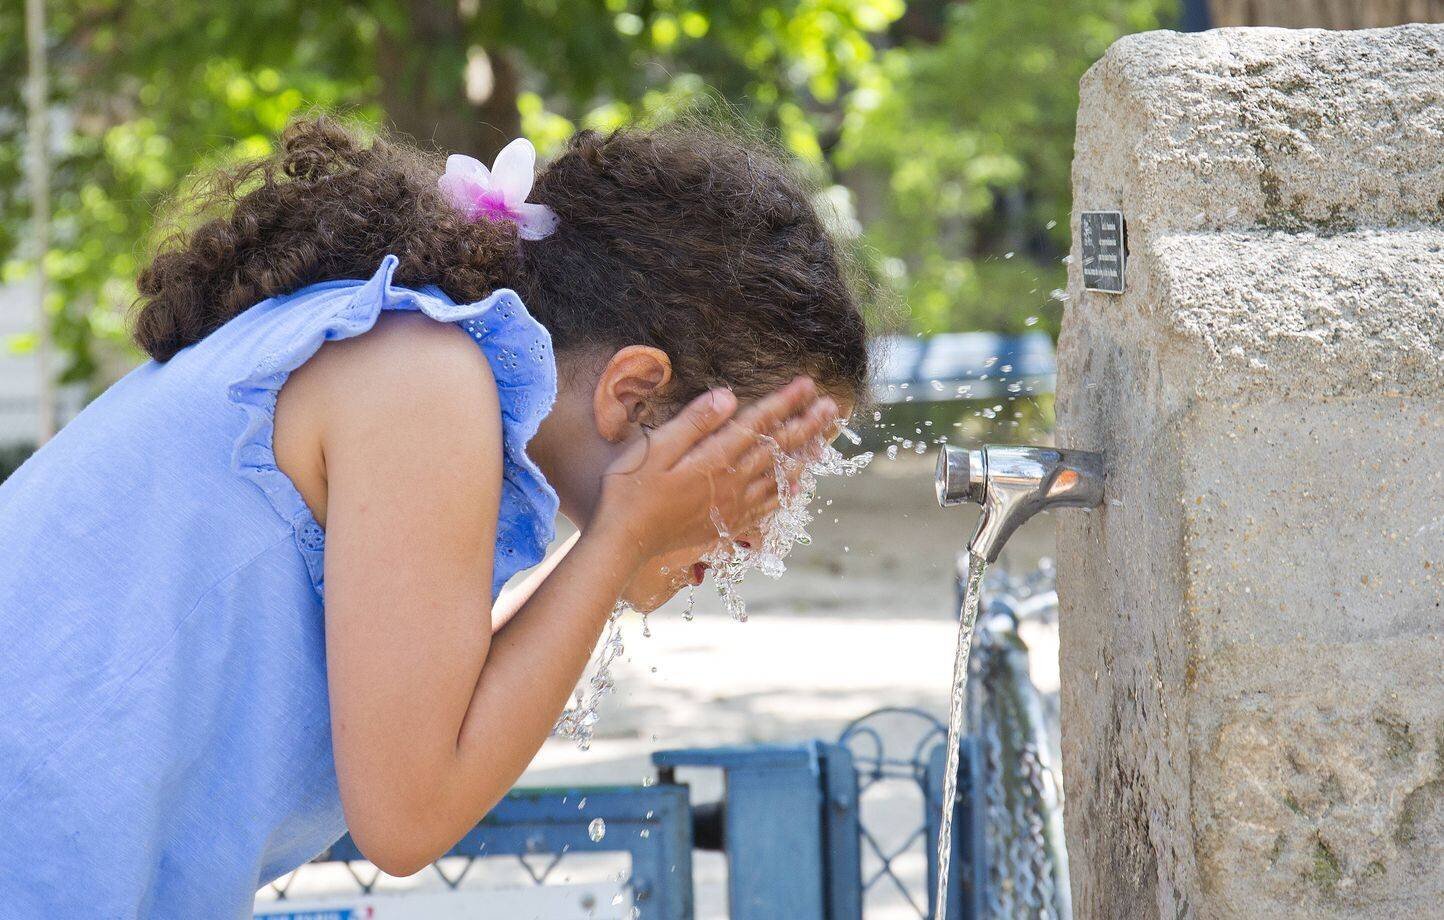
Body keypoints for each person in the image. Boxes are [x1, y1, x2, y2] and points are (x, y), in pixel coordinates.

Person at [0, 117, 868, 916]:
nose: (759, 529)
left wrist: (619, 548)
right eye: (762, 469)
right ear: (635, 392)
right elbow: (409, 815)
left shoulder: (413, 364)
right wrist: (623, 537)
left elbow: (443, 716)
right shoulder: (421, 382)